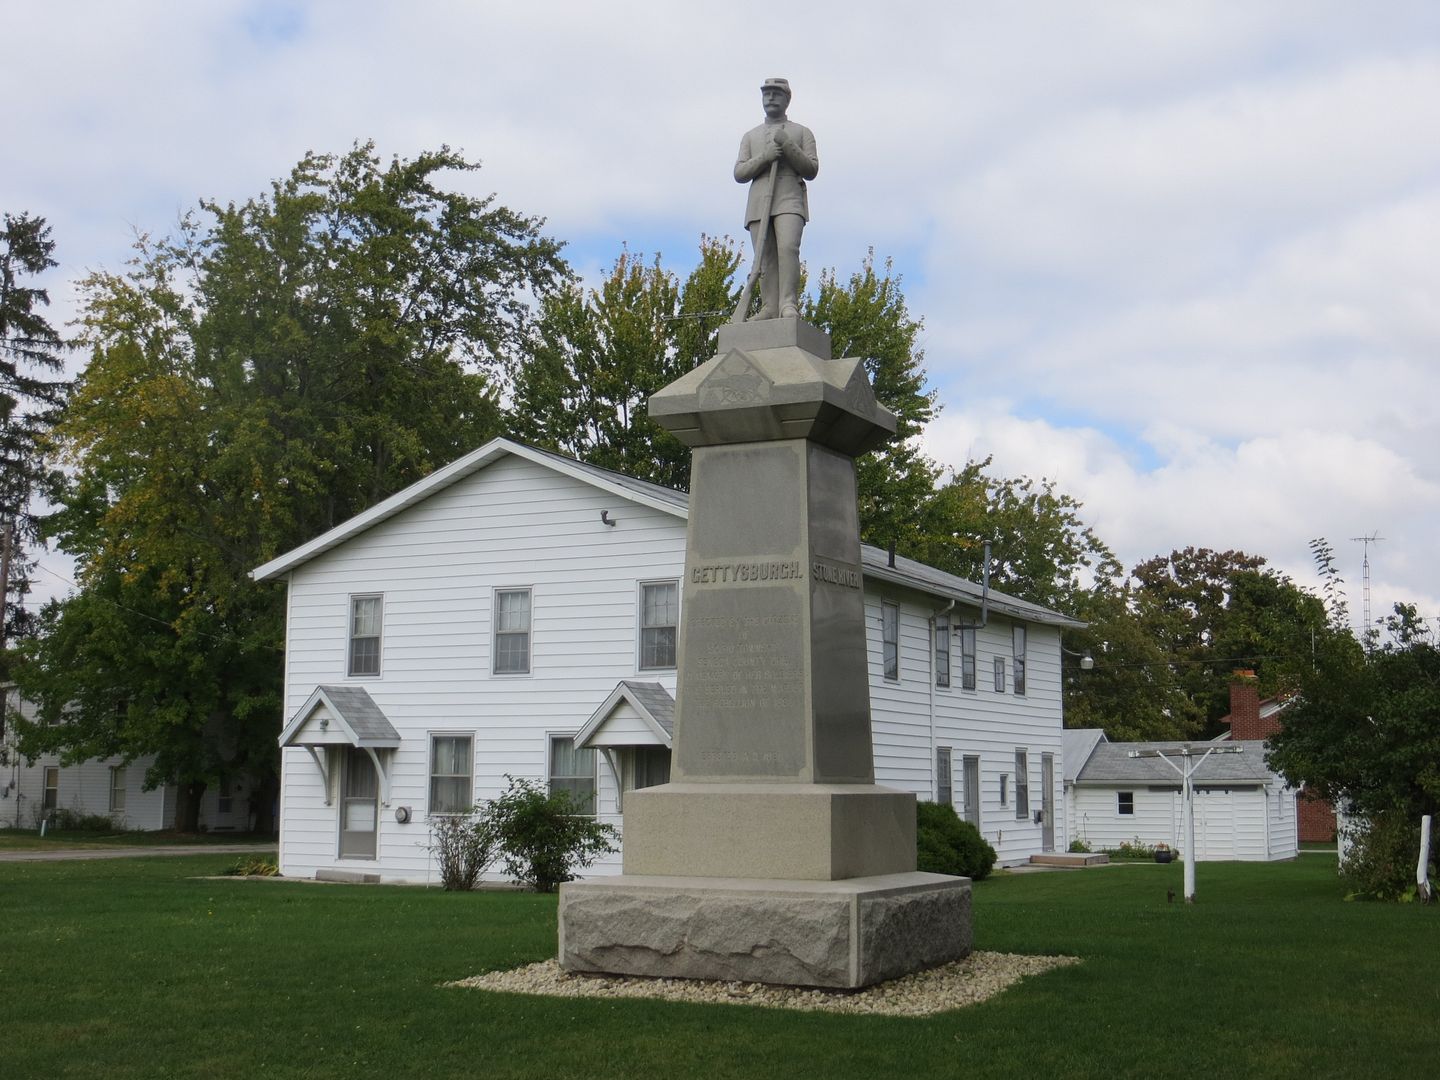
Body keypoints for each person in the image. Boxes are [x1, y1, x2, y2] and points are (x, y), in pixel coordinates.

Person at [734, 77, 819, 321]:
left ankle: (788, 303)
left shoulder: (801, 132)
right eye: (767, 94)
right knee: (765, 257)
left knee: (788, 249)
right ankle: (769, 306)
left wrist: (788, 146)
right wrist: (765, 156)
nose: (770, 98)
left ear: (787, 99)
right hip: (759, 201)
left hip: (789, 197)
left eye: (776, 94)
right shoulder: (751, 136)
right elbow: (739, 173)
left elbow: (811, 169)